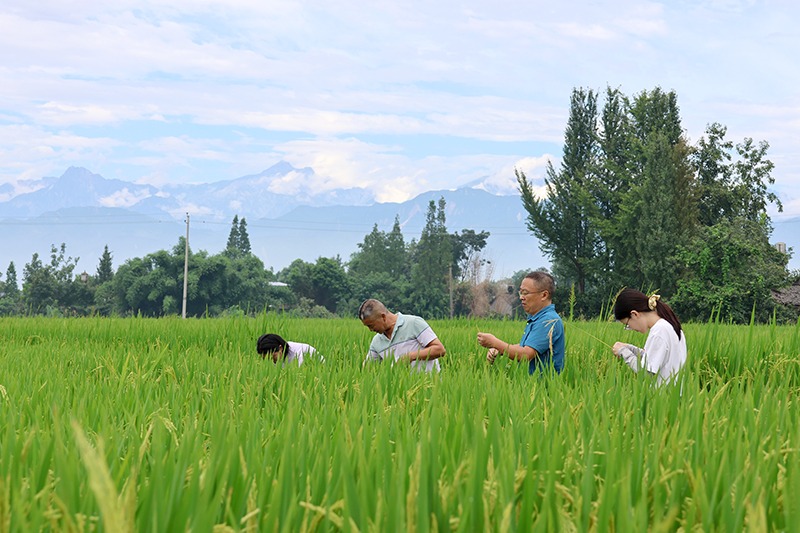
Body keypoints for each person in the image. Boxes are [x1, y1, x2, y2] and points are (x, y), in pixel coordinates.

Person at [477, 271, 565, 375]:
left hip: (543, 387)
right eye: (521, 292)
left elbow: (526, 354)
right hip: (530, 385)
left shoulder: (548, 320)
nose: (521, 297)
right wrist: (499, 349)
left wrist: (495, 343)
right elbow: (530, 345)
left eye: (525, 293)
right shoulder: (538, 318)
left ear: (544, 295)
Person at [611, 288, 687, 386]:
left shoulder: (659, 331)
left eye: (627, 324)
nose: (631, 328)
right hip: (674, 394)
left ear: (634, 314)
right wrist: (630, 348)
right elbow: (654, 358)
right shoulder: (669, 326)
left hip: (663, 397)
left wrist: (623, 352)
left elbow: (646, 373)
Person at [358, 298, 446, 372]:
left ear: (383, 317)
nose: (370, 330)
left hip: (430, 387)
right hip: (401, 390)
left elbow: (439, 349)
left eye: (371, 325)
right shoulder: (376, 342)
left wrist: (409, 357)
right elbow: (367, 369)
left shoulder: (414, 323)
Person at [256, 333, 321, 366]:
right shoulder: (278, 358)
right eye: (267, 359)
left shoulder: (300, 353)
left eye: (272, 357)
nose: (272, 361)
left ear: (280, 348)